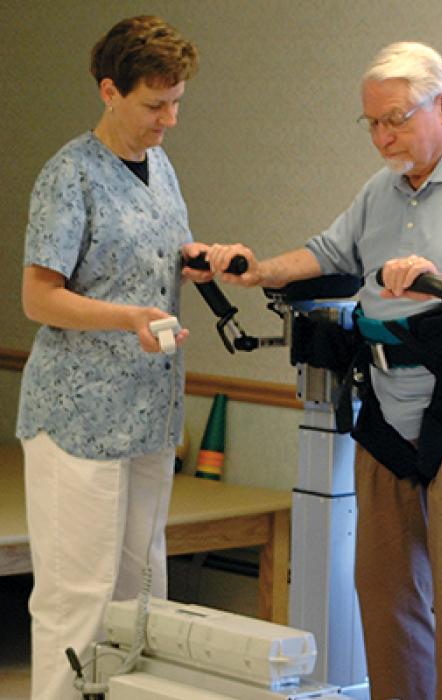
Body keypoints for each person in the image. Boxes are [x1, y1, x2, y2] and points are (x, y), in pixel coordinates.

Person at [199, 42, 442, 700]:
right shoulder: (382, 190)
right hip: (385, 414)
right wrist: (258, 271)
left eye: (395, 119)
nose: (382, 136)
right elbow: (327, 253)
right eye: (371, 122)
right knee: (383, 592)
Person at [16, 16, 212, 700]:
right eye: (155, 105)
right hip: (79, 417)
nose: (170, 119)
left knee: (136, 594)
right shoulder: (69, 174)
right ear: (109, 91)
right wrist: (124, 317)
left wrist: (201, 263)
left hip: (149, 412)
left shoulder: (160, 168)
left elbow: (162, 255)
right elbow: (39, 299)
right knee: (80, 596)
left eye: (176, 102)